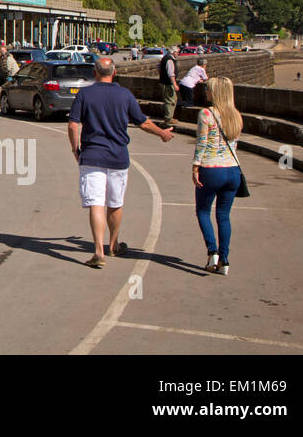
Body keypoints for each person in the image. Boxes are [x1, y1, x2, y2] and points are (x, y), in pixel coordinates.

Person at [67, 56, 174, 268]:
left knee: (96, 203)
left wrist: (75, 149)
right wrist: (162, 133)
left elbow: (72, 125)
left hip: (92, 155)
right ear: (114, 73)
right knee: (115, 204)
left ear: (95, 73)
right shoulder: (124, 95)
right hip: (118, 156)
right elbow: (142, 123)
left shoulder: (85, 94)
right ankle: (113, 245)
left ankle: (98, 251)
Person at [193, 77, 243, 275]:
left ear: (216, 93)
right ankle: (225, 259)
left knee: (203, 212)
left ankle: (212, 251)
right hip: (233, 170)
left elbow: (202, 144)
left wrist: (195, 168)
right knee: (224, 216)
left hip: (211, 168)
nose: (206, 92)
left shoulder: (206, 114)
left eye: (209, 89)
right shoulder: (237, 116)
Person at [158, 47, 179, 126]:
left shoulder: (165, 58)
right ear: (173, 52)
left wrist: (161, 75)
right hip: (168, 83)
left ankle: (169, 117)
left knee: (171, 99)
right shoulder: (169, 60)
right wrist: (175, 84)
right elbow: (171, 74)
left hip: (164, 82)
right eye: (177, 52)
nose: (178, 54)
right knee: (170, 100)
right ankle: (168, 119)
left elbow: (158, 67)